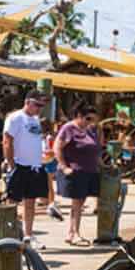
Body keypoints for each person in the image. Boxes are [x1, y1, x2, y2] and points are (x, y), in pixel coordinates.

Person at [3, 90, 49, 249]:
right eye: (37, 105)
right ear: (28, 102)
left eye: (41, 106)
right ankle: (10, 234)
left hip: (34, 166)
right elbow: (7, 141)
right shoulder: (15, 118)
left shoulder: (35, 120)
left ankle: (28, 235)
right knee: (12, 202)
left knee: (31, 202)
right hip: (19, 164)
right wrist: (10, 163)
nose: (39, 108)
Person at [55, 103, 100, 246]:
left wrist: (102, 165)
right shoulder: (69, 128)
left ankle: (72, 232)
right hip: (75, 171)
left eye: (93, 119)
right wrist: (64, 166)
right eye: (88, 119)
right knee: (77, 203)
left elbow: (96, 149)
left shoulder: (91, 129)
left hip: (90, 171)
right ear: (79, 116)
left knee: (80, 203)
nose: (90, 122)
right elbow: (57, 146)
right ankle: (75, 233)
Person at [40, 116, 64, 222]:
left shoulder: (50, 137)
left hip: (48, 161)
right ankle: (47, 202)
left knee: (49, 183)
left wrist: (45, 153)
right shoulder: (41, 136)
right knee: (44, 183)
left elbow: (52, 150)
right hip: (42, 161)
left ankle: (51, 203)